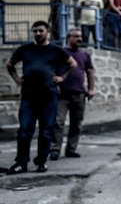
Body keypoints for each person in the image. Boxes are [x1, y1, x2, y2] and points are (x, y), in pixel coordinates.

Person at [6, 21, 77, 175]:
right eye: (35, 31)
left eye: (41, 31)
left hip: (48, 96)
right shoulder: (25, 49)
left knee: (46, 130)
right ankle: (21, 162)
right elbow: (10, 64)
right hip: (29, 97)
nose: (38, 34)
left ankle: (41, 161)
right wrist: (17, 79)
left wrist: (62, 77)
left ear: (48, 32)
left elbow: (72, 64)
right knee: (24, 130)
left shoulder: (55, 50)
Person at [50, 29, 95, 160]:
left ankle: (71, 148)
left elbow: (90, 72)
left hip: (79, 93)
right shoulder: (60, 53)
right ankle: (55, 149)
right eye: (76, 36)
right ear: (69, 38)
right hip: (62, 94)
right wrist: (55, 84)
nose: (79, 39)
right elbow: (51, 70)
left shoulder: (85, 55)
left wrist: (91, 89)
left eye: (80, 36)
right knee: (58, 122)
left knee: (76, 123)